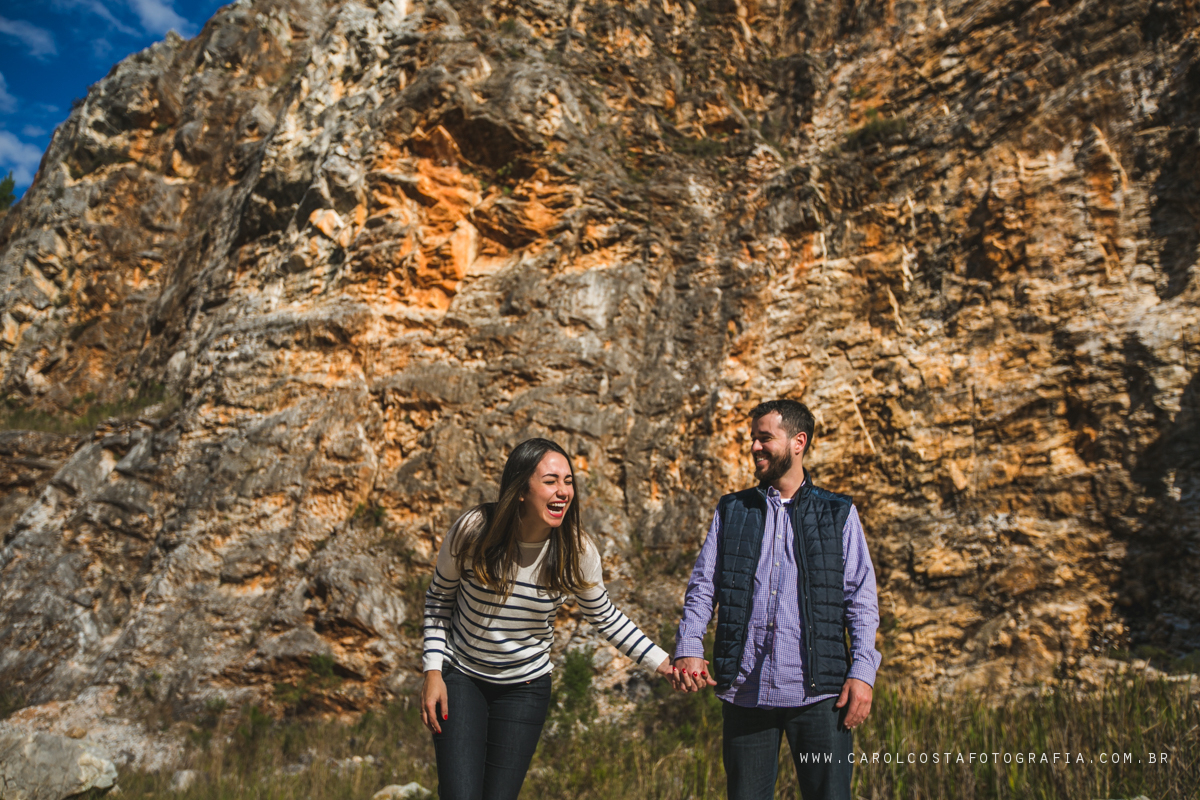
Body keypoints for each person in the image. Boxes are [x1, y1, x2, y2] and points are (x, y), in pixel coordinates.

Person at [420, 437, 674, 800]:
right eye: (551, 481)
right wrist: (433, 671)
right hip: (462, 676)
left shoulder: (576, 550)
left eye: (568, 481)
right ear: (521, 490)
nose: (563, 492)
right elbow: (439, 599)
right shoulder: (474, 530)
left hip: (525, 688)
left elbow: (605, 617)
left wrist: (664, 664)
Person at [671, 399, 881, 800]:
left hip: (821, 696)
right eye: (753, 438)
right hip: (745, 693)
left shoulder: (838, 512)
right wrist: (689, 646)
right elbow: (703, 587)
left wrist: (862, 672)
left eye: (765, 438)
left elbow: (861, 600)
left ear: (798, 442)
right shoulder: (732, 510)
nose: (755, 446)